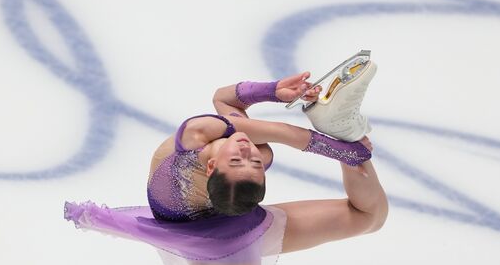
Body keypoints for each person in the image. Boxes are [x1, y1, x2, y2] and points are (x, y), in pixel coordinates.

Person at [64, 61, 388, 265]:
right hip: (217, 244)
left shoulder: (197, 135)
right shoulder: (247, 153)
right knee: (367, 216)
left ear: (211, 167)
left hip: (216, 216)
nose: (247, 151)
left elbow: (225, 99)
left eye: (239, 159)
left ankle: (344, 130)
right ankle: (345, 129)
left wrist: (275, 91)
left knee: (370, 218)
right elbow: (281, 132)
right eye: (253, 165)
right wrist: (346, 147)